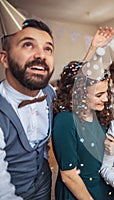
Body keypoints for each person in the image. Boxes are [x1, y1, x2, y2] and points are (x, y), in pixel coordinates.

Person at [51, 28, 114, 199]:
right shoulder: (65, 121)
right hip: (81, 194)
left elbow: (83, 76)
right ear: (80, 94)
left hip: (102, 189)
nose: (105, 98)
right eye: (99, 95)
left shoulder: (97, 114)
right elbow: (69, 176)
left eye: (106, 92)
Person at [0, 18, 55, 199]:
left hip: (43, 183)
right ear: (5, 59)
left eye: (48, 48)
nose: (41, 55)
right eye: (28, 45)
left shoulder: (50, 93)